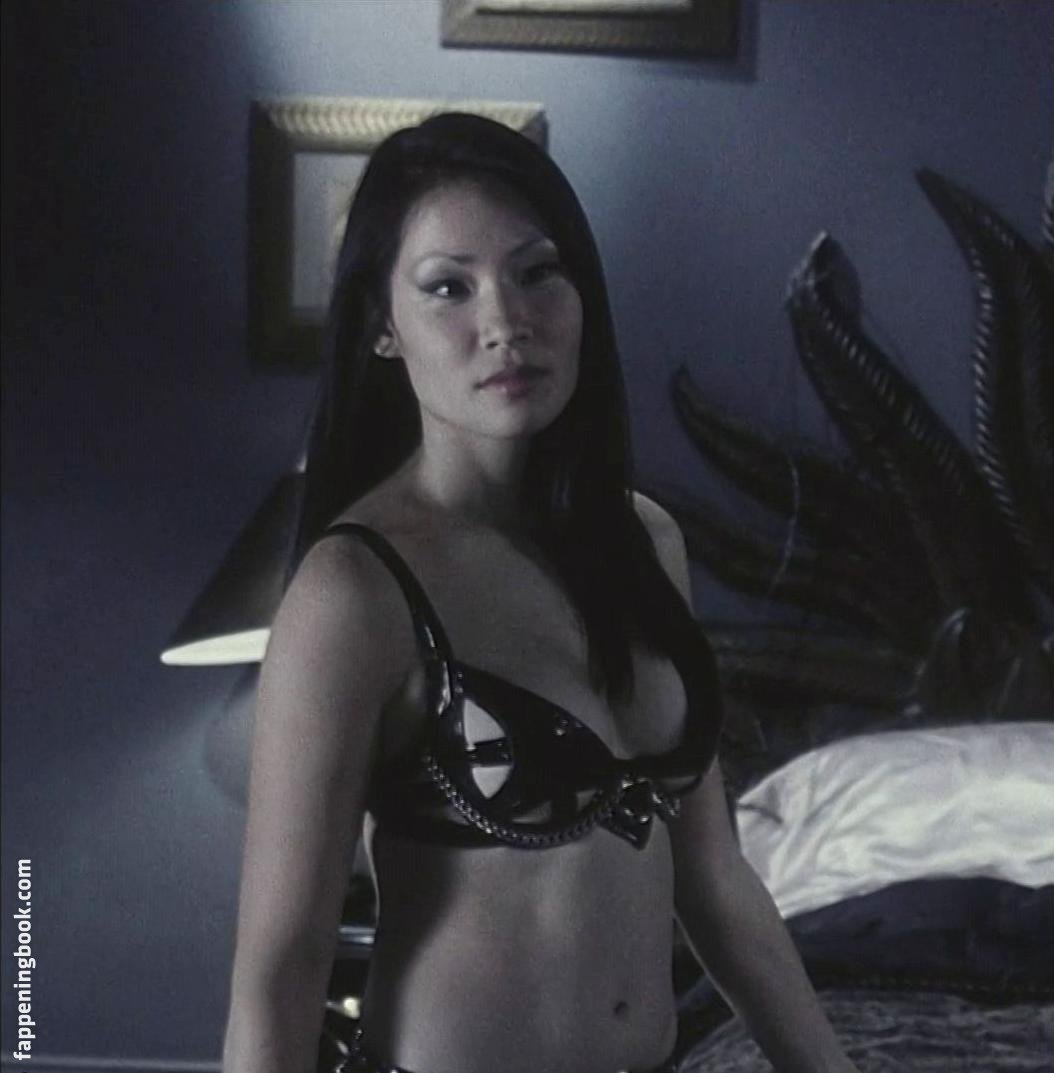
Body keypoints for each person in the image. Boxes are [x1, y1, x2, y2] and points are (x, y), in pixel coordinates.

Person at [222, 112, 856, 1073]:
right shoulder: (355, 588)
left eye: (537, 272)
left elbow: (715, 882)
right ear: (383, 327)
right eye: (449, 286)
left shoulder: (646, 544)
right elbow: (279, 971)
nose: (506, 323)